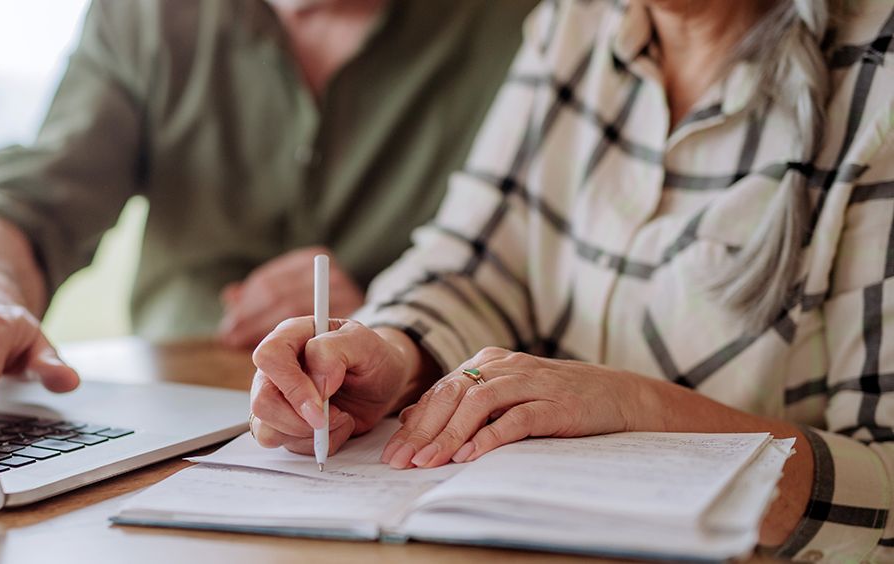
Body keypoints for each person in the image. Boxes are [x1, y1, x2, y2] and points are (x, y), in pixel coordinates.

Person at [249, 0, 894, 560]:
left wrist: (639, 407)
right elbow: (469, 265)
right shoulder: (572, 25)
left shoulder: (878, 81)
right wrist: (388, 355)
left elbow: (885, 490)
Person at [0, 0, 541, 418]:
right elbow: (27, 204)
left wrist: (393, 315)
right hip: (167, 419)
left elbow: (558, 271)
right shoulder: (147, 16)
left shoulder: (532, 28)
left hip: (407, 419)